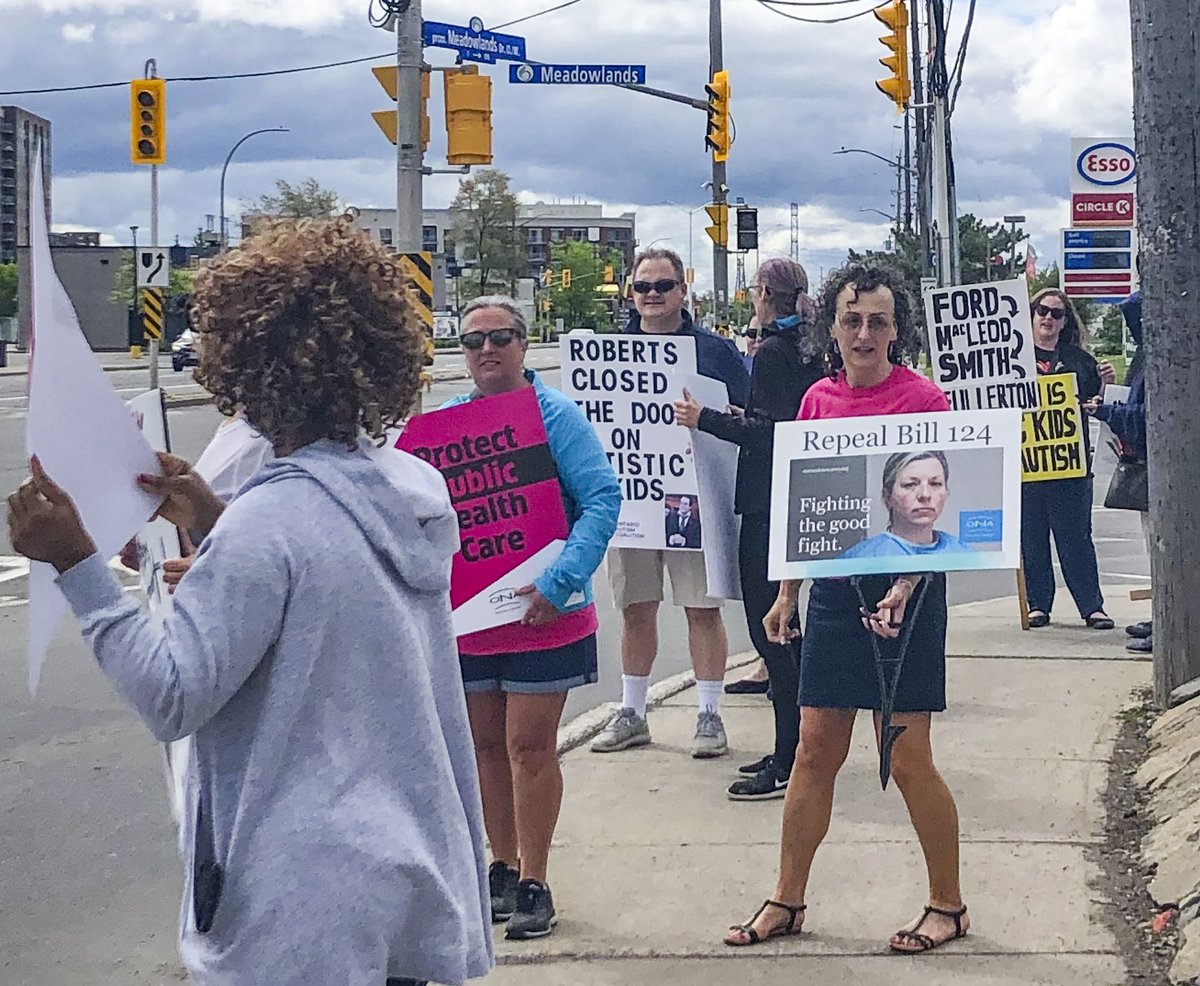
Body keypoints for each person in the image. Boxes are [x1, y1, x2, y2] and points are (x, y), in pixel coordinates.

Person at [6, 218, 493, 986]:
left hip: (300, 903)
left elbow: (172, 696)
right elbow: (322, 593)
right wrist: (210, 520)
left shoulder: (275, 520)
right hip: (400, 877)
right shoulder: (403, 495)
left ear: (247, 362)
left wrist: (75, 560)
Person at [724, 262, 970, 954]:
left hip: (909, 595)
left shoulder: (924, 401)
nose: (865, 333)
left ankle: (948, 905)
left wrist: (903, 587)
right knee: (813, 748)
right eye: (852, 319)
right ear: (830, 327)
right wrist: (786, 595)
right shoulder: (817, 402)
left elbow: (937, 505)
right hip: (834, 593)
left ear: (898, 329)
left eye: (880, 321)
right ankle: (787, 899)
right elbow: (807, 513)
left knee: (907, 753)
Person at [442, 296, 620, 940]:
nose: (487, 350)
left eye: (501, 337)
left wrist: (560, 579)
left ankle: (536, 881)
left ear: (523, 344)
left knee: (528, 745)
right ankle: (501, 864)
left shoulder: (557, 418)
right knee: (485, 746)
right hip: (471, 619)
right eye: (473, 341)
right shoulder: (445, 429)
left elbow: (602, 498)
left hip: (545, 613)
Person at [673, 257, 824, 800]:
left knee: (774, 635)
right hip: (796, 497)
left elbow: (772, 433)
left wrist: (708, 420)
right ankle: (797, 747)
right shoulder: (808, 345)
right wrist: (743, 411)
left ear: (763, 292)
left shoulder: (778, 351)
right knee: (787, 636)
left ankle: (790, 760)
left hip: (768, 503)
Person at [592, 246, 750, 759]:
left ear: (684, 291)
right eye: (643, 287)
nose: (653, 296)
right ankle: (632, 712)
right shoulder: (610, 355)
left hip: (693, 502)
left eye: (664, 286)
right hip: (632, 504)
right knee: (636, 608)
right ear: (631, 293)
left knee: (701, 610)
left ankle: (709, 714)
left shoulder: (716, 351)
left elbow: (747, 417)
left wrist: (719, 414)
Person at [1022, 288, 1114, 630]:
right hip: (1026, 466)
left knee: (1076, 538)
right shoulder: (1011, 361)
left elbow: (1097, 406)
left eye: (1056, 313)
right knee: (1031, 539)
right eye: (1042, 310)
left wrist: (1106, 388)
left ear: (1065, 322)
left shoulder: (1080, 362)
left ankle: (1092, 607)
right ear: (1030, 314)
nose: (1048, 317)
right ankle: (1038, 604)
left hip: (1070, 466)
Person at [1089, 289, 1151, 652]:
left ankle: (1172, 626)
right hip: (1146, 462)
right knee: (1154, 548)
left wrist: (1107, 412)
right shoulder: (1148, 354)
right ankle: (1163, 614)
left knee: (1168, 548)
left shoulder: (1167, 353)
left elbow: (1150, 416)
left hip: (1160, 466)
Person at [840, 451, 973, 559]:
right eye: (910, 485)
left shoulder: (965, 554)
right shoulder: (860, 559)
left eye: (935, 484)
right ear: (887, 495)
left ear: (946, 492)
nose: (925, 495)